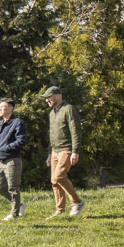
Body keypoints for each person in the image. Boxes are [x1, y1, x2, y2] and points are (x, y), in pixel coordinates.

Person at [42, 86, 83, 217]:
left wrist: (75, 151)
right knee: (54, 182)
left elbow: (75, 131)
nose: (47, 100)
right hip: (54, 151)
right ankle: (60, 210)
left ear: (57, 96)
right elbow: (52, 135)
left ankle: (77, 202)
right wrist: (49, 154)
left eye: (48, 97)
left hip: (66, 149)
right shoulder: (51, 113)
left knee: (58, 176)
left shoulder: (68, 109)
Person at [0, 98, 28, 219]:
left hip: (12, 160)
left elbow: (21, 140)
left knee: (13, 187)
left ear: (11, 109)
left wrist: (6, 148)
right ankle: (19, 205)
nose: (0, 109)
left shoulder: (17, 123)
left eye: (3, 107)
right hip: (0, 160)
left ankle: (14, 214)